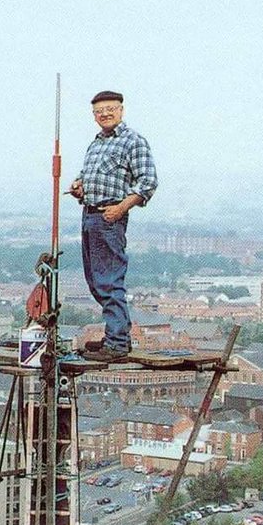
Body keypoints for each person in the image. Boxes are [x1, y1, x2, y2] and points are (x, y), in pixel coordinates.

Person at [70, 91, 157, 363]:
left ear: (121, 110)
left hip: (110, 217)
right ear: (94, 115)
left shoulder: (133, 142)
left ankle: (118, 343)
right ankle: (115, 337)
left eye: (110, 109)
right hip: (90, 214)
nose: (105, 114)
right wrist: (79, 186)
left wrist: (121, 208)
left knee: (109, 280)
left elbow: (148, 182)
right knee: (96, 281)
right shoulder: (95, 144)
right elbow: (88, 177)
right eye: (99, 111)